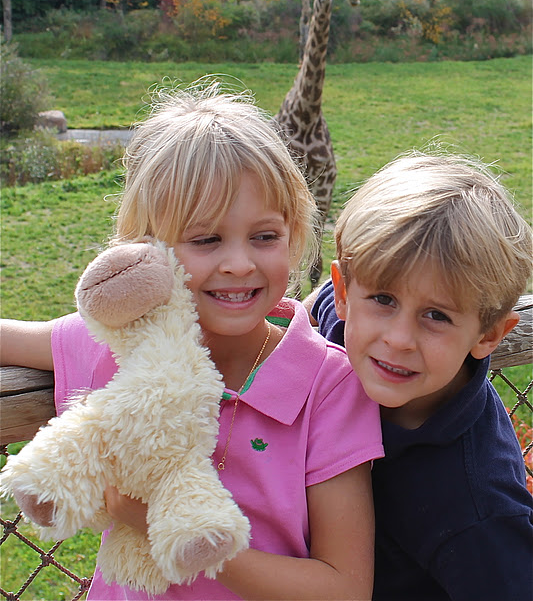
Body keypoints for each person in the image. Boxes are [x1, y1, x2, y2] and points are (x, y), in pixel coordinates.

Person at [1, 81, 384, 601]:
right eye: (206, 239)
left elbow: (344, 589)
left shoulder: (329, 387)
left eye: (264, 236)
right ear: (145, 249)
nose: (239, 263)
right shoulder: (124, 344)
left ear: (294, 234)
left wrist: (161, 523)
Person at [307, 151, 533, 601]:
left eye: (436, 316)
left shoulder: (476, 505)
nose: (398, 339)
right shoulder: (344, 321)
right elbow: (319, 305)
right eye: (384, 300)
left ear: (489, 334)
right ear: (347, 292)